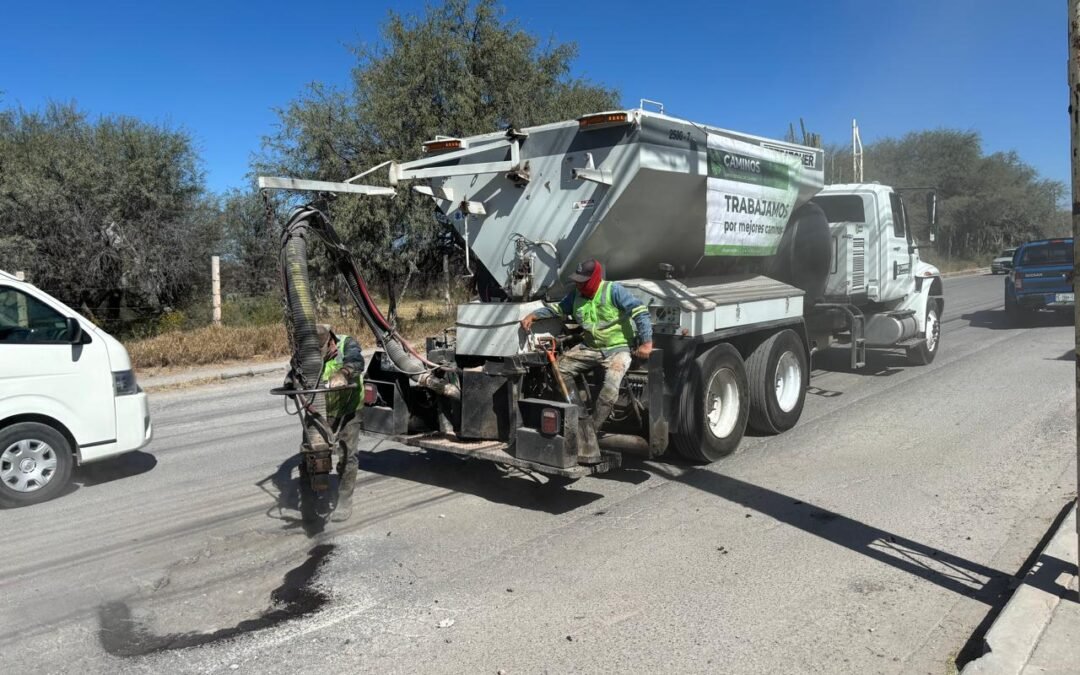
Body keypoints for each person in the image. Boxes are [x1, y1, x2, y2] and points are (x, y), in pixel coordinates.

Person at [520, 259, 653, 462]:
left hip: (618, 349)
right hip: (590, 347)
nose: (579, 284)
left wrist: (646, 343)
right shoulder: (576, 295)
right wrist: (534, 316)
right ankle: (579, 417)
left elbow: (640, 311)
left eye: (583, 281)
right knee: (560, 371)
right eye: (577, 280)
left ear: (595, 279)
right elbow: (558, 309)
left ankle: (592, 430)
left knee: (611, 386)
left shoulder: (612, 291)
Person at [316, 323, 364, 521]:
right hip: (320, 409)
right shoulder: (307, 350)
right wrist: (290, 379)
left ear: (330, 341)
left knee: (346, 454)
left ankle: (344, 501)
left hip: (348, 408)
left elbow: (357, 361)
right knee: (314, 451)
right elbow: (296, 368)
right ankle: (313, 493)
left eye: (322, 350)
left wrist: (343, 373)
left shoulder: (347, 344)